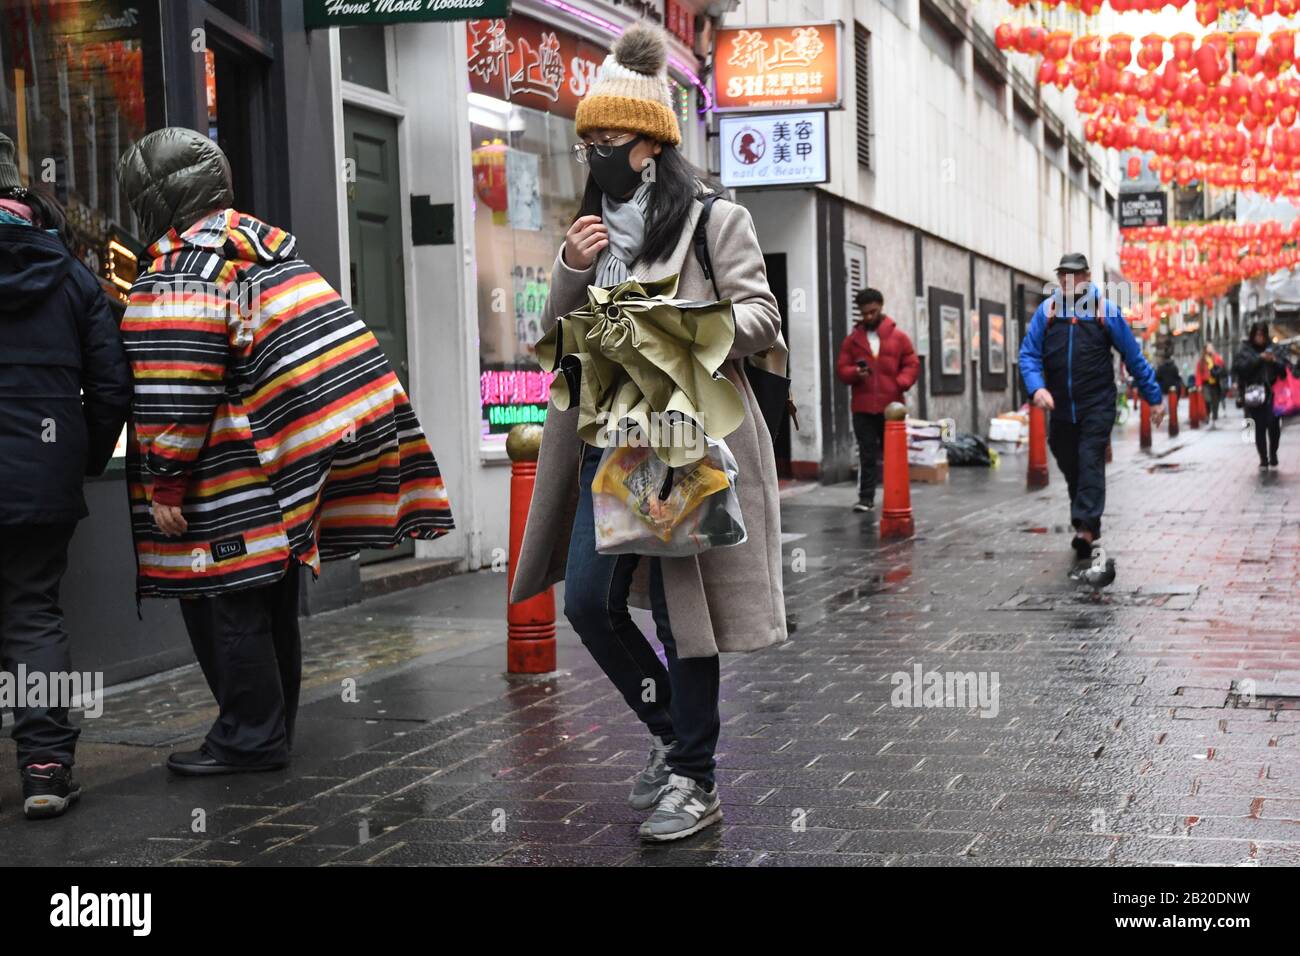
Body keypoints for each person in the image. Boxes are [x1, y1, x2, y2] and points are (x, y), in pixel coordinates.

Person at [508, 23, 787, 842]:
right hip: (604, 440)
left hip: (680, 443)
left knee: (681, 615)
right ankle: (671, 737)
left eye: (612, 136)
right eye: (587, 136)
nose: (595, 149)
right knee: (590, 605)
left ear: (652, 145)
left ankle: (695, 779)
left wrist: (673, 326)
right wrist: (567, 267)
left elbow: (763, 317)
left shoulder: (712, 220)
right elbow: (549, 340)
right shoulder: (588, 230)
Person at [116, 128, 454, 776]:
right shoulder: (261, 253)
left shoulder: (184, 269)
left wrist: (164, 485)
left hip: (224, 479)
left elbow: (178, 382)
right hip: (278, 477)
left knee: (225, 603)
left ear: (158, 199)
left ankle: (250, 738)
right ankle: (269, 729)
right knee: (269, 604)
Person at [0, 134, 132, 818]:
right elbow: (111, 386)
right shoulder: (74, 276)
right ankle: (46, 768)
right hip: (42, 478)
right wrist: (80, 460)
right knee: (32, 615)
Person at [1018, 253, 1166, 560]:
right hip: (1060, 406)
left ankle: (1085, 528)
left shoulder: (1105, 311)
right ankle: (1086, 519)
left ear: (1086, 277)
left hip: (1096, 404)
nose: (1067, 281)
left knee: (1089, 460)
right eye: (1062, 276)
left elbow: (1133, 357)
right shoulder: (1048, 311)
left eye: (1074, 275)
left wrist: (1154, 398)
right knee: (1068, 460)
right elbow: (1029, 354)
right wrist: (1037, 387)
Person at [835, 288, 920, 512]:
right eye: (865, 313)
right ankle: (866, 499)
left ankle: (896, 496)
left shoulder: (899, 337)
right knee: (867, 455)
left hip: (892, 407)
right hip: (862, 407)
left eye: (873, 312)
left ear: (881, 307)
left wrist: (899, 383)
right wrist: (855, 372)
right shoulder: (852, 340)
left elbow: (912, 364)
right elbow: (842, 370)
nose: (869, 317)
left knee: (893, 455)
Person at [1234, 321, 1283, 470]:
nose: (1260, 338)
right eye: (1257, 334)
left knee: (1274, 426)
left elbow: (1284, 369)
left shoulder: (1274, 348)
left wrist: (1274, 361)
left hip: (1273, 394)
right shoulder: (1245, 349)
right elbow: (1239, 368)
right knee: (1259, 427)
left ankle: (1273, 453)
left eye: (1262, 334)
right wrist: (1259, 358)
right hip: (1254, 394)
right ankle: (1263, 458)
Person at [1195, 342, 1225, 427]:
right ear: (1205, 349)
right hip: (1206, 383)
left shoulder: (1216, 357)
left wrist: (1215, 356)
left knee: (1215, 401)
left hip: (1215, 382)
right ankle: (1207, 415)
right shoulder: (1202, 360)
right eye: (1209, 347)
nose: (1210, 349)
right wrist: (1199, 385)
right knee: (1207, 400)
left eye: (1211, 347)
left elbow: (1222, 366)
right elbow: (1198, 373)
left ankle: (1214, 418)